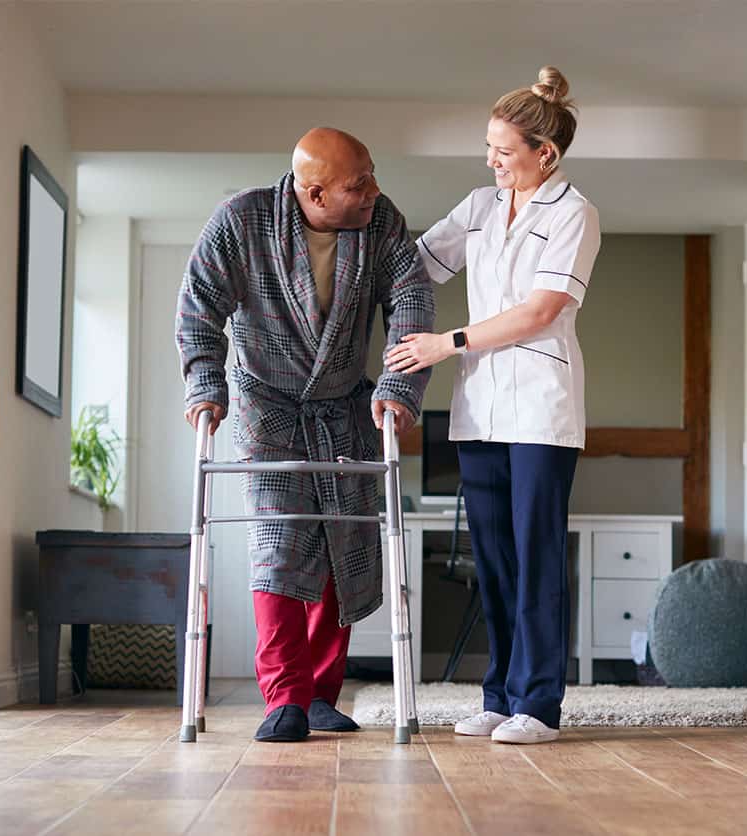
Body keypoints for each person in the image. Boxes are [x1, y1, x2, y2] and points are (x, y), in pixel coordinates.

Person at [176, 127, 434, 743]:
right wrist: (205, 384)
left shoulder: (382, 224)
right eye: (358, 183)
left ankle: (322, 694)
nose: (374, 189)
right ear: (314, 194)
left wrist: (398, 392)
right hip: (268, 405)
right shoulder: (242, 221)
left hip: (344, 404)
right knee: (280, 542)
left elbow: (411, 302)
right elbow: (198, 306)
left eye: (372, 173)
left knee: (342, 544)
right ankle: (284, 698)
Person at [387, 66, 600, 745]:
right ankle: (499, 694)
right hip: (479, 408)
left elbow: (540, 311)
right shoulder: (480, 207)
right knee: (493, 558)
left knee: (536, 556)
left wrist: (445, 342)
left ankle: (538, 705)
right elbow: (416, 264)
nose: (492, 161)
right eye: (489, 148)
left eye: (504, 151)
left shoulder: (574, 214)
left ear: (547, 153)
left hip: (541, 409)